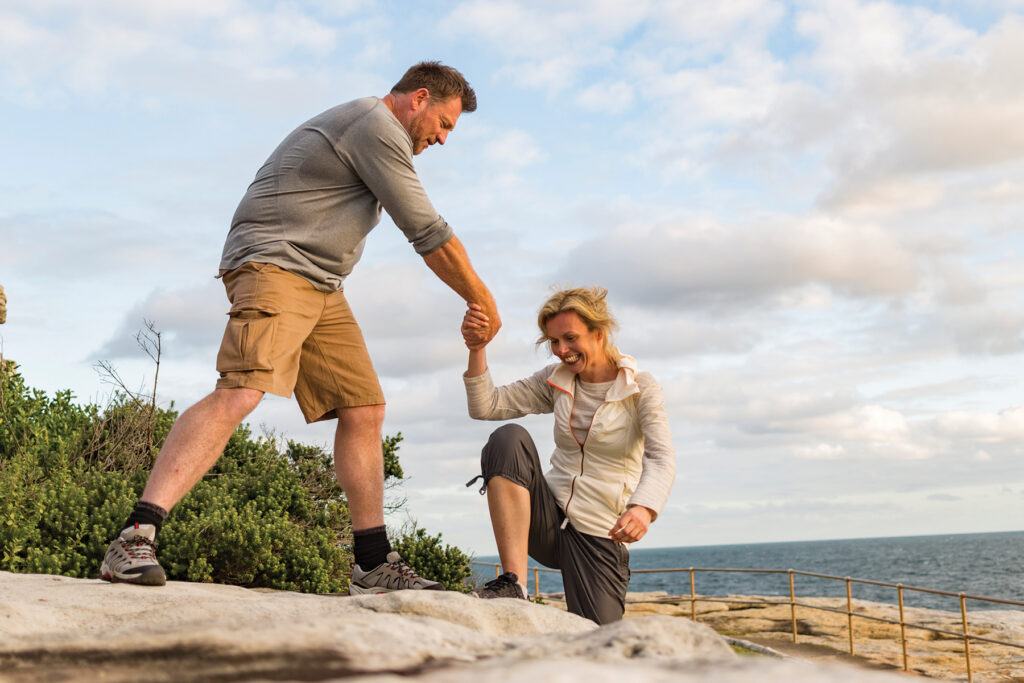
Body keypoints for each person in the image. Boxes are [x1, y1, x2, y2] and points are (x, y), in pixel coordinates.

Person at [100, 62, 501, 592]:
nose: (444, 139)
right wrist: (482, 299)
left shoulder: (373, 130)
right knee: (242, 393)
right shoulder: (375, 126)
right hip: (274, 265)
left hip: (321, 282)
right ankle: (134, 536)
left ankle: (372, 564)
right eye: (445, 124)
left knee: (363, 408)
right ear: (419, 98)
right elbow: (427, 231)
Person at [460, 287, 675, 623]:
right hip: (546, 519)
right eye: (553, 342)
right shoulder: (555, 380)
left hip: (600, 534)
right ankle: (514, 584)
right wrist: (477, 349)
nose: (561, 350)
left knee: (600, 643)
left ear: (599, 334)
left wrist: (644, 508)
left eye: (570, 338)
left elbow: (661, 457)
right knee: (508, 439)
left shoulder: (640, 389)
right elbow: (485, 405)